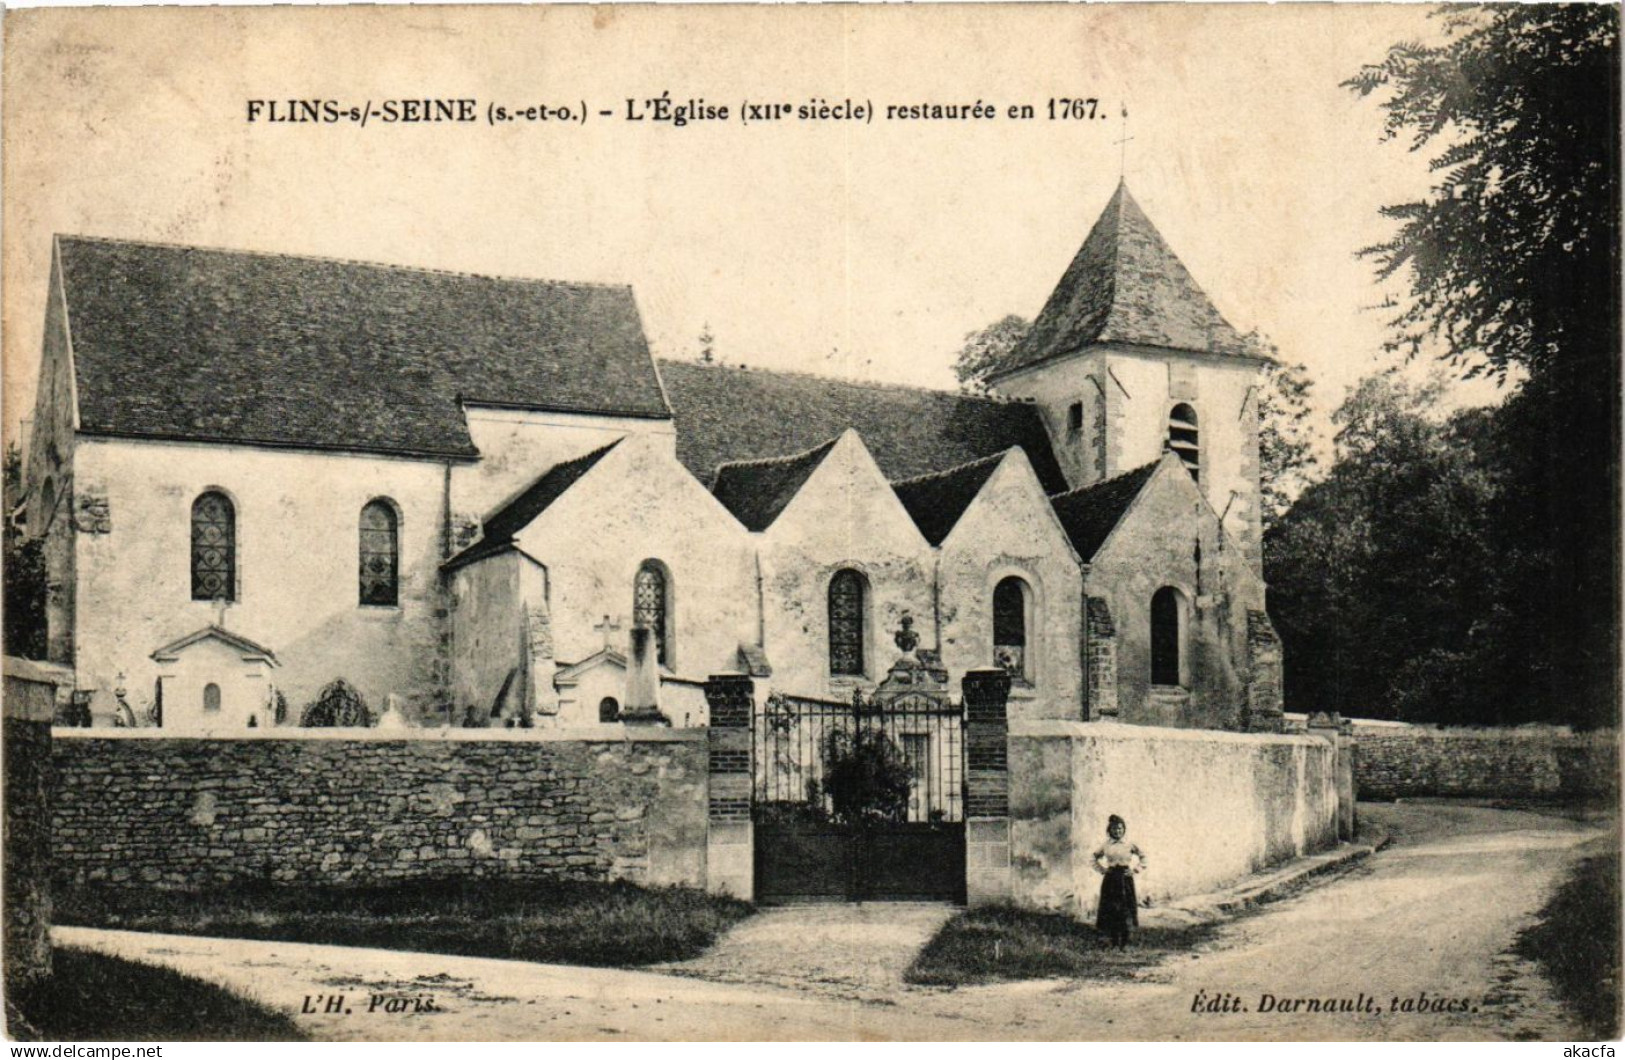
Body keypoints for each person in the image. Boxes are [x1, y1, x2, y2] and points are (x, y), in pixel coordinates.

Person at [1092, 814, 1147, 948]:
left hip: (1125, 879)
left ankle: (1125, 941)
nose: (1118, 831)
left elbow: (1143, 858)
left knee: (1125, 908)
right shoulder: (1106, 845)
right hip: (1110, 880)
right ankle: (1113, 940)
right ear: (1110, 830)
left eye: (1120, 829)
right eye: (1115, 829)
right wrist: (1102, 869)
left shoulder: (1129, 844)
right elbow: (1093, 858)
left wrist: (1134, 870)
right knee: (1111, 909)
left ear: (1124, 830)